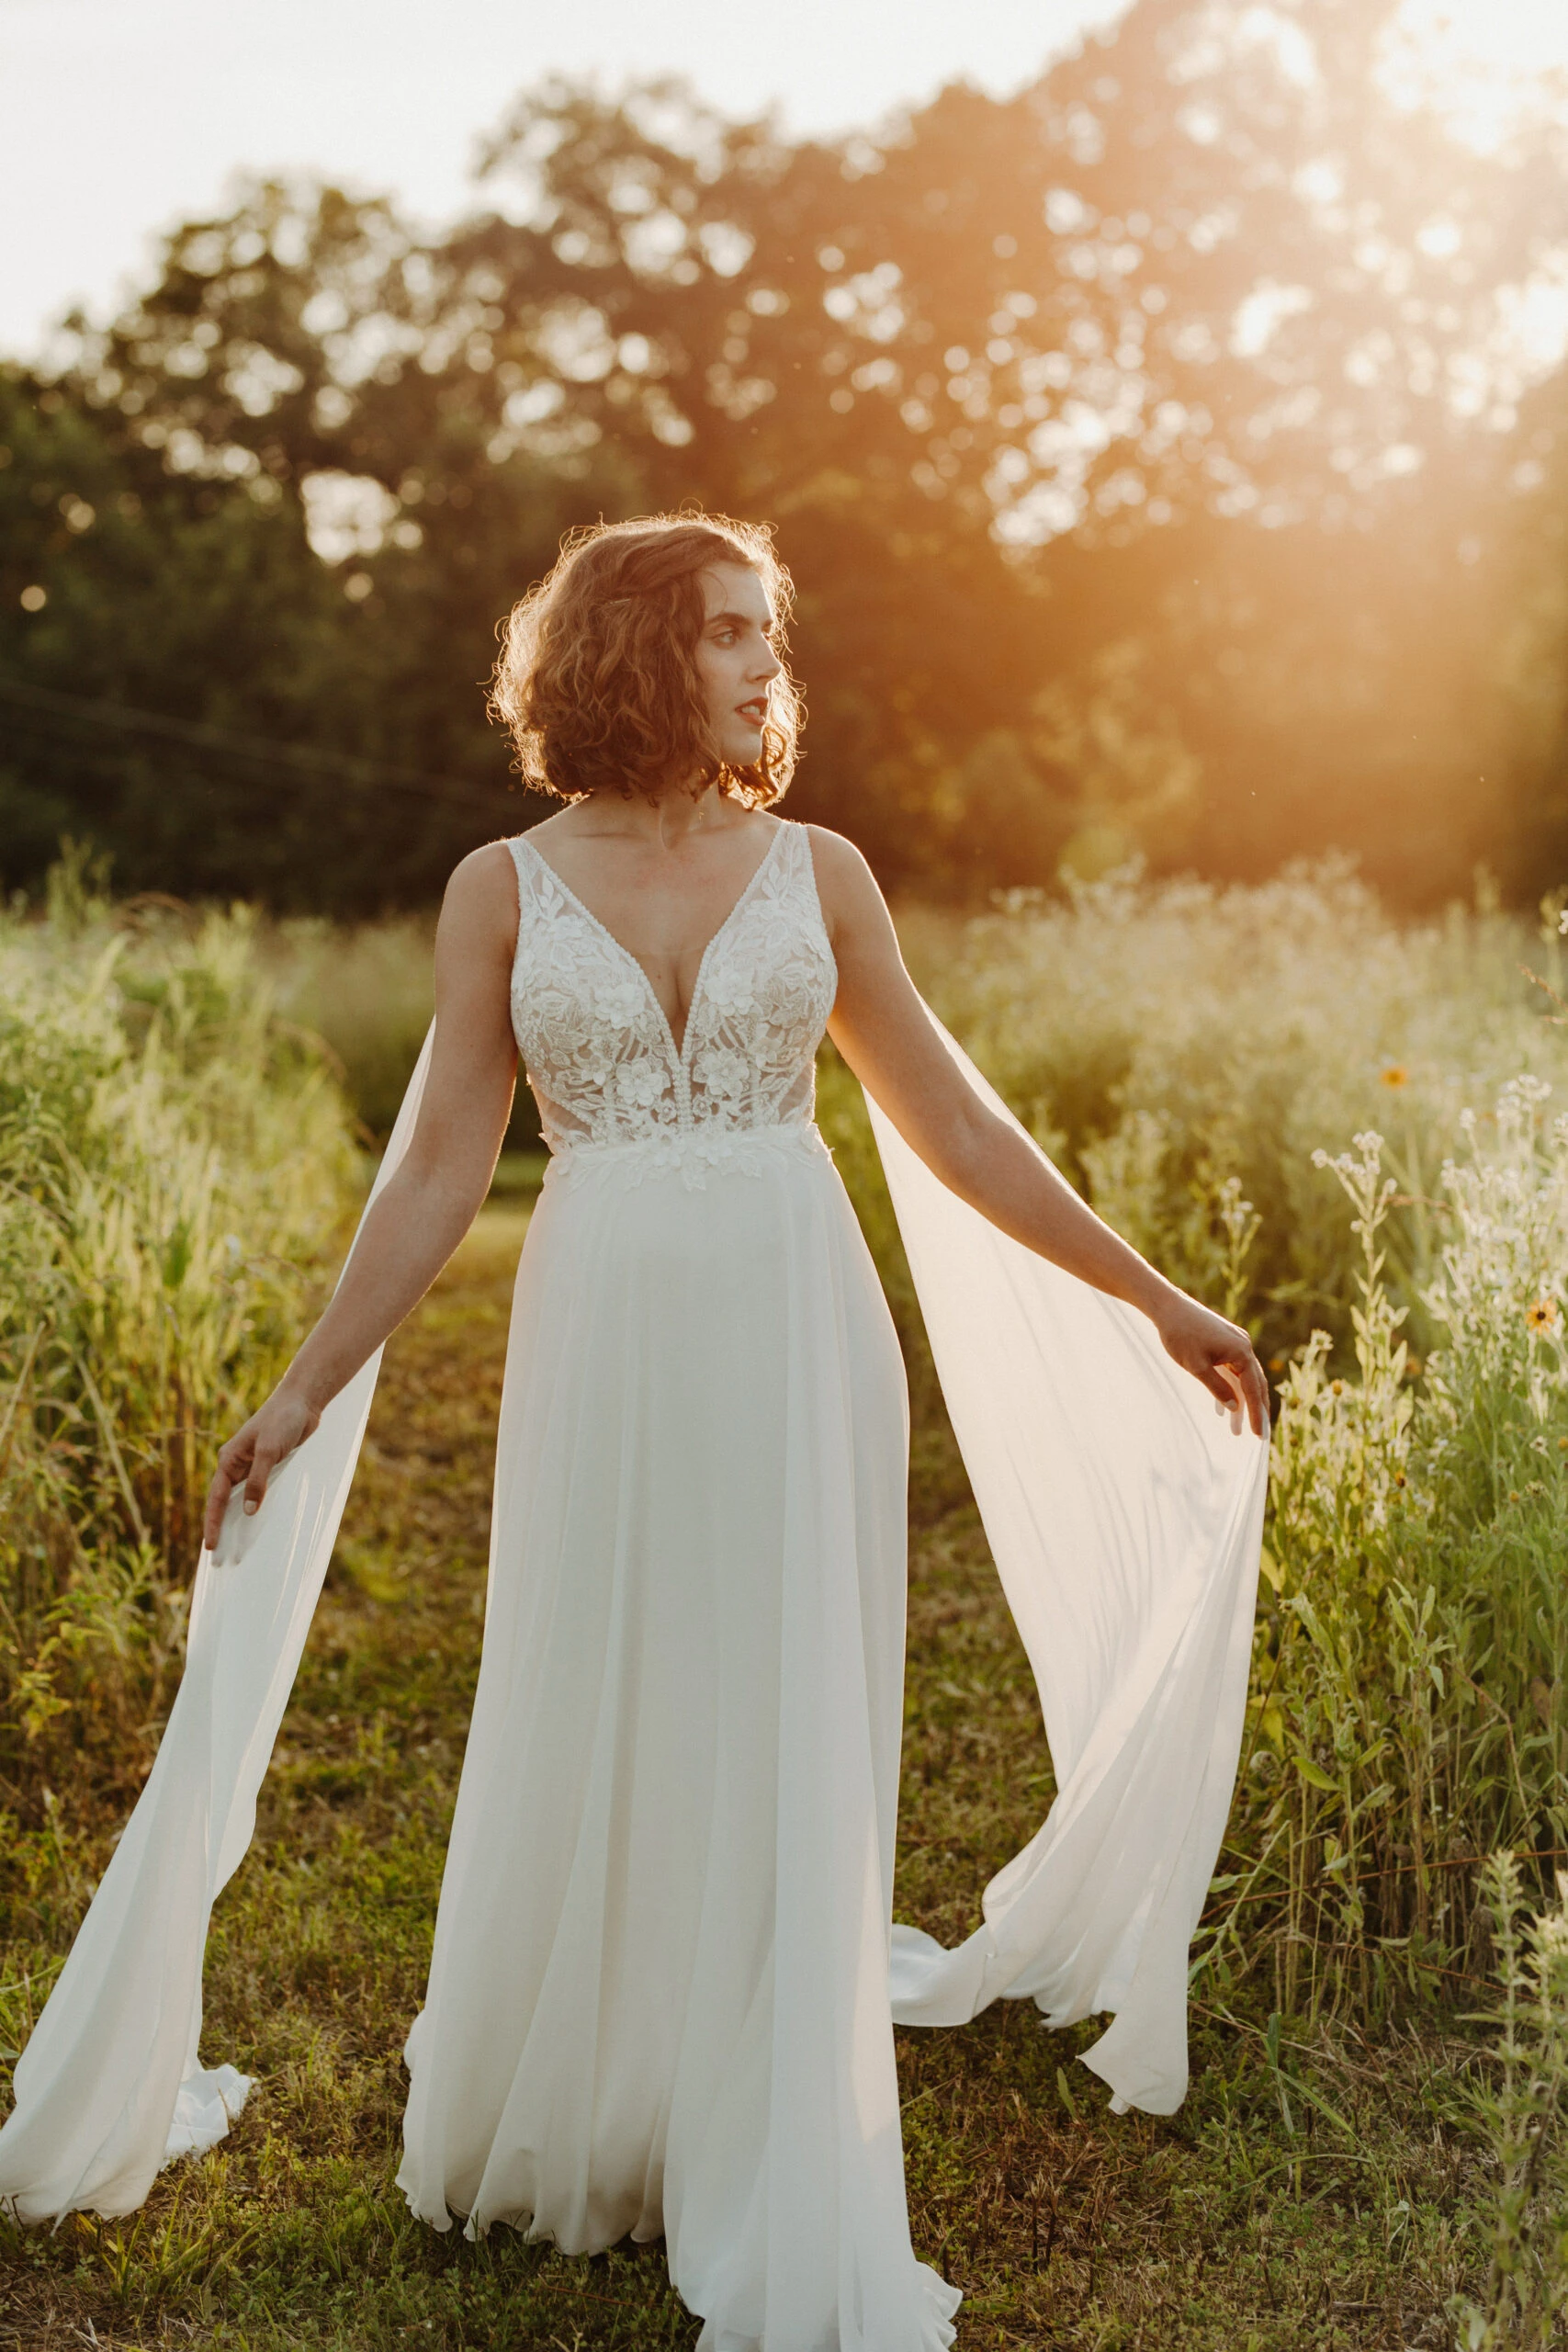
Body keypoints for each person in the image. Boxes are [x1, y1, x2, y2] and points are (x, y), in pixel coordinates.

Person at [0, 514, 1269, 2348]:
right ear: (631, 649)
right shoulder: (499, 889)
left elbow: (955, 1127)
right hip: (598, 1323)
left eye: (770, 631)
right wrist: (303, 1383)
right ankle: (594, 2080)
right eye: (731, 630)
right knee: (599, 1679)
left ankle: (765, 2086)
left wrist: (1155, 1293)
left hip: (788, 1310)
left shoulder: (820, 870)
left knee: (780, 1694)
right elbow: (442, 1163)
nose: (769, 662)